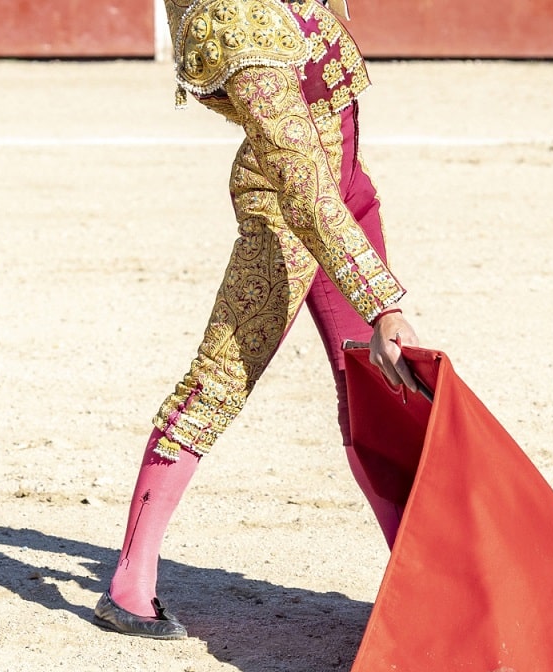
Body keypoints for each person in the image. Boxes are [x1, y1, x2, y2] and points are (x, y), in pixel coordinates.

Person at [94, 0, 419, 639]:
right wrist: (383, 302)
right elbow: (304, 189)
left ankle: (418, 579)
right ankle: (130, 584)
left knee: (376, 388)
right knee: (220, 380)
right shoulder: (233, 17)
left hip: (345, 192)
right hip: (289, 219)